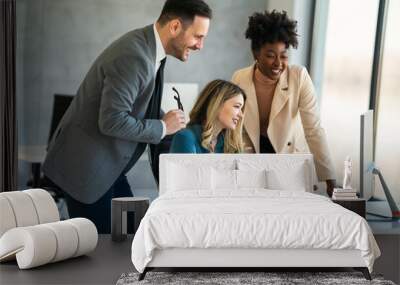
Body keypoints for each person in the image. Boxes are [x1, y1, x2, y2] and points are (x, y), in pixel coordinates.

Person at [42, 0, 212, 233]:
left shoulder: (151, 49)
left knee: (134, 233)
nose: (201, 45)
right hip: (87, 170)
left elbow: (137, 104)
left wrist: (177, 127)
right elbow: (112, 120)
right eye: (198, 36)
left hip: (109, 167)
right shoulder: (134, 56)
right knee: (101, 252)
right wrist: (162, 127)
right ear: (174, 27)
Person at [231, 10, 336, 196]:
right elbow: (237, 129)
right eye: (270, 55)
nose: (278, 63)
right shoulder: (240, 78)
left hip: (290, 160)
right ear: (256, 53)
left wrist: (329, 177)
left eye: (284, 55)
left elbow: (313, 129)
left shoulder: (299, 76)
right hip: (254, 157)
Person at [170, 79, 246, 153]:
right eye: (237, 106)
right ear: (217, 105)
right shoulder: (185, 138)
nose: (241, 115)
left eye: (241, 108)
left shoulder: (230, 145)